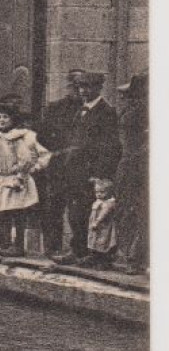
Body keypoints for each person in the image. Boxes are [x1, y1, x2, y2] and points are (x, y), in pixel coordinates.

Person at [57, 71, 121, 266]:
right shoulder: (81, 110)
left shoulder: (106, 112)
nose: (83, 91)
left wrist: (100, 174)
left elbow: (110, 146)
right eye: (81, 87)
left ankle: (95, 254)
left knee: (93, 214)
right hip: (75, 171)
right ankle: (77, 250)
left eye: (88, 87)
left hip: (92, 174)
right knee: (75, 212)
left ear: (98, 88)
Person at [0, 103, 51, 254]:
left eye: (5, 117)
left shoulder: (20, 136)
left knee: (16, 212)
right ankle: (2, 243)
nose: (1, 120)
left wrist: (30, 170)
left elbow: (28, 157)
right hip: (1, 178)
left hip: (16, 178)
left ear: (13, 119)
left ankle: (18, 246)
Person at [34, 70, 85, 255]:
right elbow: (42, 135)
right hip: (58, 164)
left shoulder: (88, 108)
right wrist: (60, 151)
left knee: (79, 209)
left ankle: (78, 249)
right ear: (69, 86)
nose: (80, 91)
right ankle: (52, 247)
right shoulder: (55, 108)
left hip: (81, 166)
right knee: (53, 207)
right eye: (76, 86)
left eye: (83, 87)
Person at [113, 73, 148, 274]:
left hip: (135, 166)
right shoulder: (136, 110)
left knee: (136, 211)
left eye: (131, 95)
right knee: (131, 210)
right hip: (130, 164)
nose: (126, 98)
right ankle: (132, 256)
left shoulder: (140, 112)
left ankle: (135, 258)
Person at [87, 178, 119, 267]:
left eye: (102, 192)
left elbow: (103, 215)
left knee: (103, 242)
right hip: (96, 227)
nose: (99, 194)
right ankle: (95, 259)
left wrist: (96, 222)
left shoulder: (108, 203)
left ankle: (103, 261)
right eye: (97, 192)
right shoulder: (98, 201)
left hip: (103, 226)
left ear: (109, 192)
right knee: (94, 241)